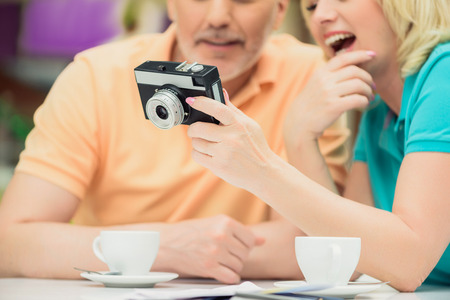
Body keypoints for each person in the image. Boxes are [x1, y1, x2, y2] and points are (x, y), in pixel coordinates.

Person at [0, 0, 351, 283]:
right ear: (170, 5)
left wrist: (147, 250)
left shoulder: (308, 75)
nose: (218, 16)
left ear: (279, 10)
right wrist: (165, 248)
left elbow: (311, 245)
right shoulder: (96, 77)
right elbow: (11, 244)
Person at [184, 0, 450, 291]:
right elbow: (351, 262)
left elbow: (408, 262)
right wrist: (299, 136)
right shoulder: (376, 113)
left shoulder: (444, 73)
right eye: (311, 6)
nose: (321, 16)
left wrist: (262, 169)